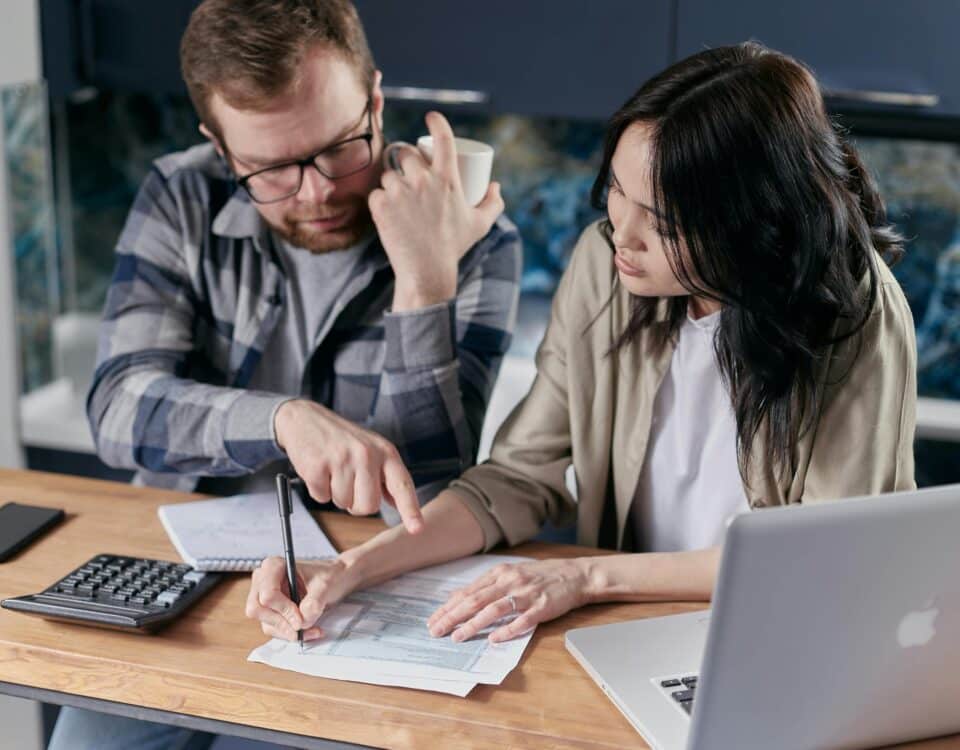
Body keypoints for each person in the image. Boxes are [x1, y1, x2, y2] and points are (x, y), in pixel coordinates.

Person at [247, 42, 917, 649]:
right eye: (617, 195)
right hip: (627, 632)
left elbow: (821, 557)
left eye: (661, 222)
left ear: (751, 222)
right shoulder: (605, 265)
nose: (620, 235)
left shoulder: (856, 313)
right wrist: (352, 568)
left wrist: (586, 576)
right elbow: (515, 478)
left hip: (778, 639)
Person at [51, 0, 521, 747]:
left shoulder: (471, 233)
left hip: (352, 599)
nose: (318, 191)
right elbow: (118, 409)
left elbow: (432, 492)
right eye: (271, 169)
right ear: (220, 147)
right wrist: (281, 418)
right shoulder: (180, 195)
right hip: (177, 585)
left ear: (374, 99)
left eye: (339, 147)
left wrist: (425, 283)